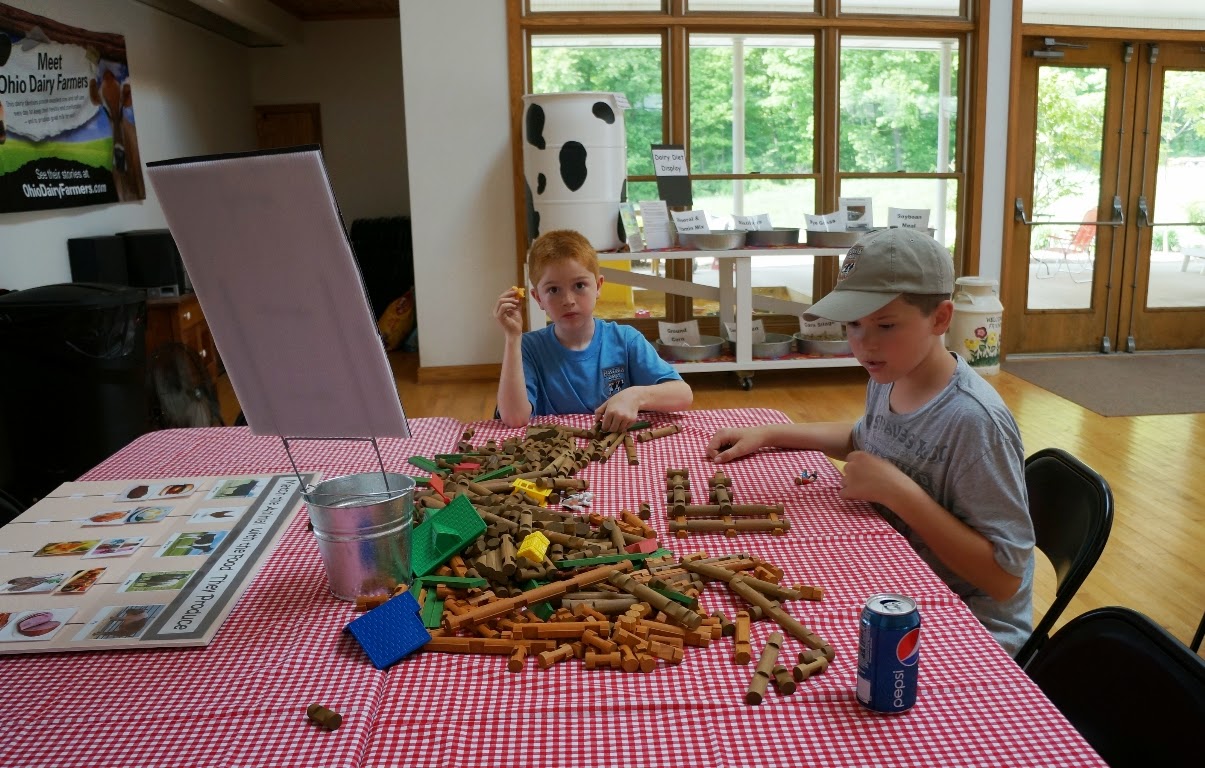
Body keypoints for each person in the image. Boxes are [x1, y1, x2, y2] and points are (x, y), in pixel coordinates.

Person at [706, 228, 1034, 655]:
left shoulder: (973, 422)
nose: (864, 344)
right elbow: (862, 438)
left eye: (886, 325)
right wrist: (770, 433)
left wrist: (901, 494)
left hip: (969, 626)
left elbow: (1005, 580)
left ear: (940, 319)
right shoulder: (890, 374)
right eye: (853, 325)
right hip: (896, 583)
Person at [494, 229, 693, 430]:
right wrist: (512, 337)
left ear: (598, 286)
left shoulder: (626, 340)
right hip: (553, 448)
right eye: (553, 290)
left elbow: (683, 395)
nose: (568, 301)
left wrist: (636, 396)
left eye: (579, 285)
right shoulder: (528, 347)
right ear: (538, 298)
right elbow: (514, 419)